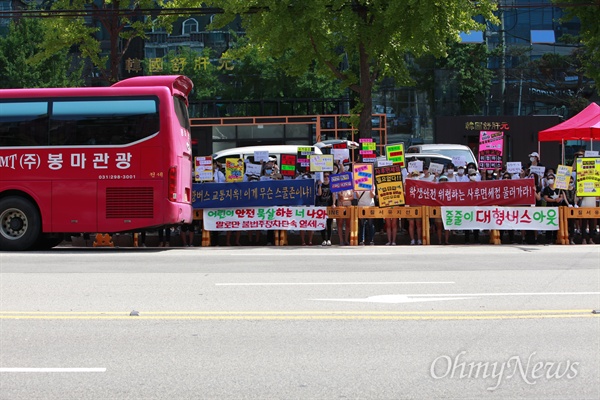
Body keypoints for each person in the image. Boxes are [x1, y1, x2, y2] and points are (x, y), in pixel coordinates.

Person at [542, 173, 564, 245]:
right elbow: (546, 198)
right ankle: (548, 239)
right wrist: (554, 200)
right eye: (549, 179)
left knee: (557, 223)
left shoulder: (559, 188)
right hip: (549, 208)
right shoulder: (546, 189)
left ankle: (555, 238)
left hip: (558, 208)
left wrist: (559, 199)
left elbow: (562, 196)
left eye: (552, 178)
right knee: (549, 223)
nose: (550, 180)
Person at [316, 172, 334, 246]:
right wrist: (320, 185)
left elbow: (333, 195)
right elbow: (319, 194)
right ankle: (323, 239)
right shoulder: (320, 184)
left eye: (327, 176)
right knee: (322, 223)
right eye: (325, 176)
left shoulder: (331, 185)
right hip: (322, 205)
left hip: (329, 205)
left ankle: (329, 239)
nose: (326, 178)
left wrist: (334, 203)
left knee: (329, 223)